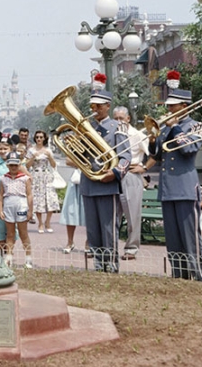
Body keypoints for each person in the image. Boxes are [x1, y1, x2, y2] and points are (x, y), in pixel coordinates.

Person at [144, 76, 202, 281]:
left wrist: (176, 128)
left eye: (173, 107)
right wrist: (153, 140)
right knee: (172, 237)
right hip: (168, 188)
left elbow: (189, 149)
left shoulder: (197, 126)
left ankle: (197, 275)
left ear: (184, 106)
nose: (169, 110)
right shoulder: (166, 129)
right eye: (169, 107)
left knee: (190, 236)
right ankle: (178, 274)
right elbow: (157, 155)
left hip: (186, 187)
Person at [72, 80, 129, 273]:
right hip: (89, 184)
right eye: (92, 105)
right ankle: (98, 263)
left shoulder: (117, 127)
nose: (94, 109)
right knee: (93, 228)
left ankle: (111, 264)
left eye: (98, 105)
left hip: (107, 185)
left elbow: (126, 156)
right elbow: (78, 157)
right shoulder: (87, 128)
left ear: (108, 106)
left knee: (108, 227)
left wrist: (113, 173)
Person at [113, 106, 149, 260]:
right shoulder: (113, 133)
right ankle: (110, 246)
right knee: (112, 214)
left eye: (121, 118)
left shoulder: (137, 135)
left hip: (130, 175)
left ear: (128, 119)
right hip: (113, 175)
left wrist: (144, 167)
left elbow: (154, 153)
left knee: (132, 214)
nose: (119, 121)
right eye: (116, 118)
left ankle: (131, 248)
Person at [0, 152, 33, 269]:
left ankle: (28, 259)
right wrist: (0, 209)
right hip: (8, 204)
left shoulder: (25, 178)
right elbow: (1, 195)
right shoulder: (3, 178)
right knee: (10, 234)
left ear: (19, 165)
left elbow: (29, 195)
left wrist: (30, 210)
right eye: (11, 165)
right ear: (7, 165)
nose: (13, 167)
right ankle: (8, 258)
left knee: (23, 233)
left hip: (21, 204)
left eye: (15, 165)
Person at [26, 130, 59, 232]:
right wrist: (33, 157)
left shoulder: (48, 150)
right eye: (37, 137)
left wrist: (49, 157)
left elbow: (53, 165)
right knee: (37, 199)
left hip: (46, 174)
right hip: (36, 175)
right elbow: (27, 165)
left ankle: (47, 222)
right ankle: (40, 223)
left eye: (41, 137)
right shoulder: (31, 150)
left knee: (51, 198)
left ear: (44, 138)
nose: (39, 139)